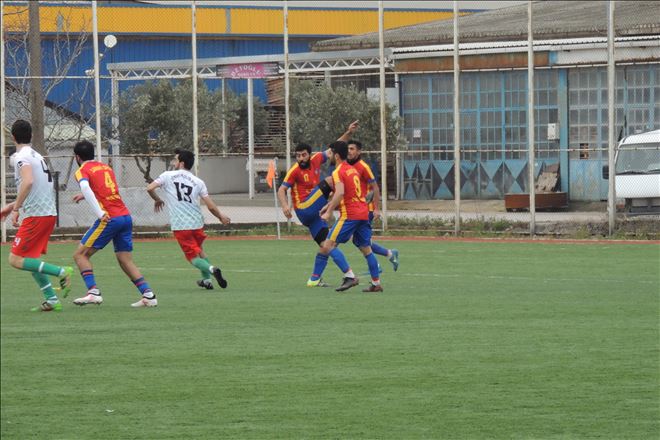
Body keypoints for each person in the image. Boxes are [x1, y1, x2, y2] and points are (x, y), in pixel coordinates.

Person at [70, 140, 157, 308]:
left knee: (80, 255)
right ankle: (148, 295)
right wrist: (85, 196)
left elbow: (86, 188)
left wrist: (99, 212)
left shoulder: (82, 170)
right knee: (125, 259)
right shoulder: (105, 167)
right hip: (125, 217)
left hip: (109, 218)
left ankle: (93, 292)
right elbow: (106, 189)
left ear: (77, 157)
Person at [0, 120, 73, 312]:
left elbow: (29, 181)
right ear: (31, 136)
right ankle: (51, 299)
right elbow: (36, 186)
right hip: (47, 213)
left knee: (15, 259)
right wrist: (12, 206)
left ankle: (62, 272)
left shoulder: (20, 157)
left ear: (13, 137)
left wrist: (16, 209)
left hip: (37, 215)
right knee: (30, 259)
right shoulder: (36, 155)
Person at [277, 121, 358, 287]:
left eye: (303, 155)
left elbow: (335, 147)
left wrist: (348, 132)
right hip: (304, 208)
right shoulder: (294, 170)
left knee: (327, 245)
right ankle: (351, 200)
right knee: (330, 180)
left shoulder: (316, 159)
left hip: (314, 216)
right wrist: (285, 206)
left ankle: (317, 279)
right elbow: (281, 189)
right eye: (298, 156)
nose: (301, 158)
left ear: (310, 154)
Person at [146, 148, 231, 290]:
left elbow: (149, 188)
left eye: (176, 159)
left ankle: (212, 269)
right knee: (200, 250)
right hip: (197, 222)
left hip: (181, 225)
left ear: (181, 163)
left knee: (192, 257)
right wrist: (221, 216)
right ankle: (207, 281)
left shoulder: (167, 175)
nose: (174, 162)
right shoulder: (198, 181)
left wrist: (157, 200)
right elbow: (210, 206)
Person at [312, 141, 383, 292]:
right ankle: (376, 284)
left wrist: (329, 211)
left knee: (328, 245)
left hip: (350, 215)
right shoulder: (352, 170)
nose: (329, 156)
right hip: (363, 212)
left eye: (331, 153)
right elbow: (348, 194)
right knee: (366, 249)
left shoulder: (338, 172)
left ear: (337, 155)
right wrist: (328, 205)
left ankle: (350, 276)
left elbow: (340, 193)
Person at [346, 139, 399, 271]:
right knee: (359, 240)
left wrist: (376, 208)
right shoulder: (347, 166)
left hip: (366, 210)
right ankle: (389, 255)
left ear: (359, 152)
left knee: (360, 241)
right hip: (356, 209)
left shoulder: (363, 167)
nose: (349, 151)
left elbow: (375, 188)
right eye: (348, 149)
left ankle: (378, 265)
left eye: (352, 149)